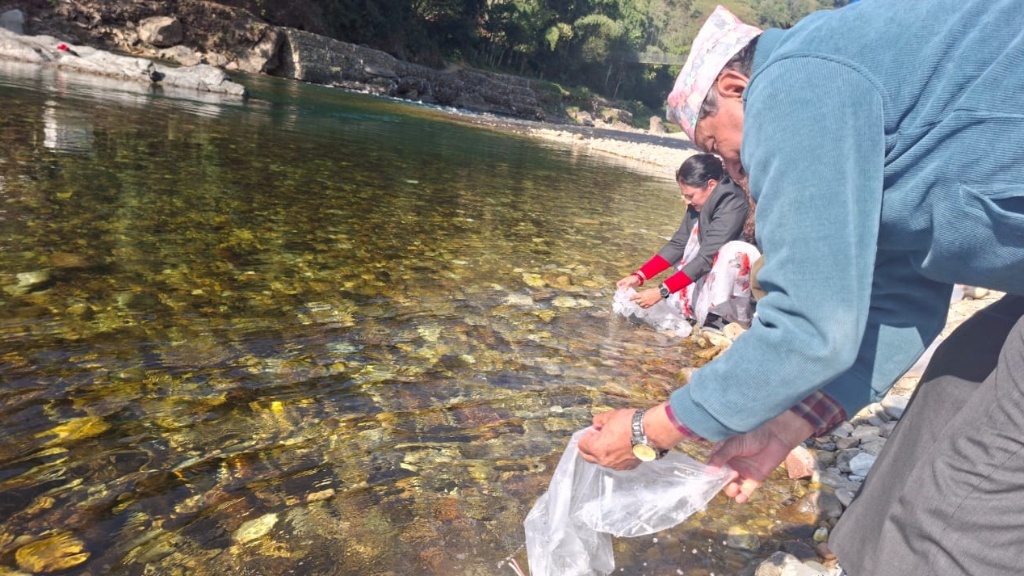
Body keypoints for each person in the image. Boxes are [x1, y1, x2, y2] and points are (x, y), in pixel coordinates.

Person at [577, 2, 1024, 575]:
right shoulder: (856, 136)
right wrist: (788, 425)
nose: (734, 172)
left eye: (718, 148)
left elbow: (812, 327)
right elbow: (901, 306)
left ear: (737, 86)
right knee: (963, 374)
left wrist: (651, 429)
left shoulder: (797, 77)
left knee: (957, 515)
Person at [616, 153, 759, 329]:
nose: (686, 201)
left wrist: (661, 291)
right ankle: (690, 309)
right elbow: (678, 243)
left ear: (711, 185)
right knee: (694, 234)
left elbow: (707, 257)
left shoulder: (733, 201)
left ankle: (722, 318)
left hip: (737, 290)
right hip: (709, 273)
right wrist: (639, 276)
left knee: (736, 251)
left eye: (690, 195)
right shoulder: (700, 203)